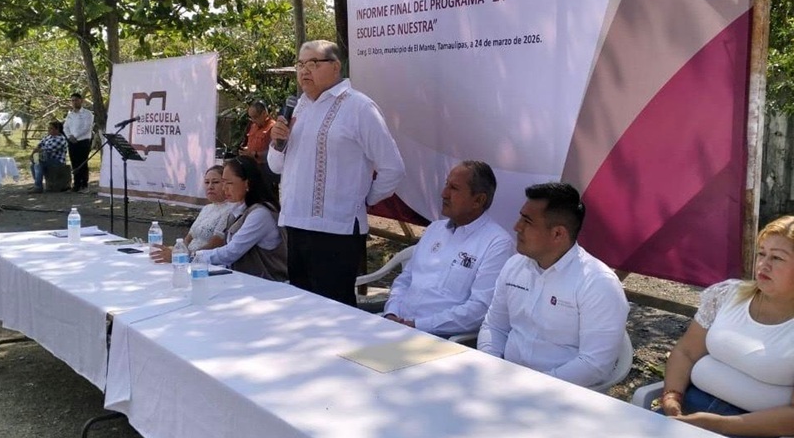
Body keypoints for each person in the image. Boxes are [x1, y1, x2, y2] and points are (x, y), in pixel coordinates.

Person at [268, 39, 405, 307]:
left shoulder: (359, 107)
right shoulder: (299, 107)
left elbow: (393, 168)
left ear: (335, 67)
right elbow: (276, 166)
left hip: (337, 230)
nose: (304, 70)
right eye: (300, 64)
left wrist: (363, 200)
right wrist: (277, 142)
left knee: (335, 311)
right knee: (302, 307)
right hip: (296, 224)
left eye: (313, 63)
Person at [658, 215, 794, 438]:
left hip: (754, 432)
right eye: (761, 253)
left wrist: (718, 425)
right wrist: (672, 396)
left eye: (777, 258)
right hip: (688, 405)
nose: (763, 264)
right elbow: (686, 352)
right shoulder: (727, 295)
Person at [477, 182, 629, 389]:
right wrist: (490, 365)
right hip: (504, 383)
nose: (517, 226)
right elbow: (494, 326)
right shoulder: (514, 266)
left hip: (561, 394)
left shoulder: (598, 283)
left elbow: (595, 364)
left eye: (527, 221)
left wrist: (531, 386)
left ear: (558, 234)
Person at [383, 161, 515, 337]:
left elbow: (480, 309)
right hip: (395, 324)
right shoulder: (435, 229)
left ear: (478, 200)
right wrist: (391, 313)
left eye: (454, 188)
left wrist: (417, 325)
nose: (444, 193)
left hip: (436, 337)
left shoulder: (497, 243)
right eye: (447, 185)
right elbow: (405, 280)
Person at [195, 157, 287, 281]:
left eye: (229, 183)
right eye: (223, 182)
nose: (224, 188)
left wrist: (194, 256)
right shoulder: (237, 211)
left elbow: (230, 252)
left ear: (247, 184)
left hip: (267, 285)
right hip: (242, 282)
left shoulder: (261, 214)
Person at [150, 165, 232, 263]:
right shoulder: (207, 208)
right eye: (207, 182)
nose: (210, 186)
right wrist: (176, 251)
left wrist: (183, 256)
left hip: (204, 262)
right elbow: (188, 239)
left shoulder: (230, 210)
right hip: (187, 258)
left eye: (215, 182)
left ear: (225, 184)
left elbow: (214, 245)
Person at [63, 92, 94, 193]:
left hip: (83, 141)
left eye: (76, 100)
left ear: (81, 101)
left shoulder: (87, 114)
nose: (74, 102)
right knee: (74, 163)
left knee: (83, 163)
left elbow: (87, 128)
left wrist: (75, 136)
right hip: (72, 142)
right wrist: (69, 136)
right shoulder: (70, 115)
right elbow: (65, 127)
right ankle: (76, 185)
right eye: (72, 100)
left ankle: (84, 185)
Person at [28, 120, 67, 194]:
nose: (49, 130)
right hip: (46, 159)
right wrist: (32, 154)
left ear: (57, 129)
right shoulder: (48, 137)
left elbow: (47, 150)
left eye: (51, 128)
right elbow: (39, 145)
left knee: (38, 162)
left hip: (57, 161)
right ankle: (37, 184)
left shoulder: (61, 139)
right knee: (34, 163)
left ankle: (38, 187)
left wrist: (37, 151)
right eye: (48, 128)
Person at [239, 101, 275, 166]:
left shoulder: (272, 128)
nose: (253, 120)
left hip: (264, 167)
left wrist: (255, 154)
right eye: (251, 117)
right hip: (250, 165)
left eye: (255, 117)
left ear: (264, 113)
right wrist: (246, 150)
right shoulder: (253, 126)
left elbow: (274, 153)